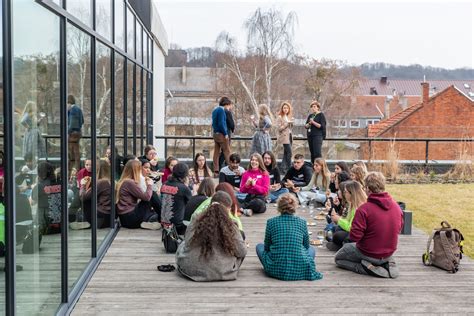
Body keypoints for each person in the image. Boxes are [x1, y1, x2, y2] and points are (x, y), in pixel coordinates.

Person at [335, 172, 403, 278]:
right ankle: (388, 262)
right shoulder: (396, 207)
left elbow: (354, 237)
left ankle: (366, 268)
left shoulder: (364, 209)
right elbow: (399, 228)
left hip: (368, 252)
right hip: (389, 252)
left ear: (367, 189)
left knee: (338, 258)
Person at [176, 191, 247, 282]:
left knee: (182, 244)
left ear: (210, 204)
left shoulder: (195, 219)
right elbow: (242, 252)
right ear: (228, 208)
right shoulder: (232, 225)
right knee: (240, 248)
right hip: (222, 270)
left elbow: (187, 242)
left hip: (191, 269)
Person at [256, 193, 323, 281]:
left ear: (279, 207)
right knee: (311, 249)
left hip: (276, 269)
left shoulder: (271, 222)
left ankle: (274, 264)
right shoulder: (302, 222)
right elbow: (306, 246)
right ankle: (299, 263)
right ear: (294, 206)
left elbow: (267, 247)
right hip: (300, 268)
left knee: (259, 247)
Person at [116, 160, 160, 230]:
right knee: (152, 195)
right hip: (130, 219)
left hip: (125, 219)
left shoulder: (124, 181)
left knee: (152, 195)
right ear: (135, 170)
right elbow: (147, 197)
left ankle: (149, 220)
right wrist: (149, 185)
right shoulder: (129, 182)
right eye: (139, 169)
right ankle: (163, 219)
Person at [327, 180, 367, 251]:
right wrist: (335, 214)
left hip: (359, 235)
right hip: (352, 231)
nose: (344, 193)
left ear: (352, 193)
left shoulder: (358, 207)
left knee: (337, 235)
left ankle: (340, 246)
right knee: (336, 228)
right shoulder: (352, 203)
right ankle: (338, 245)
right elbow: (346, 219)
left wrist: (338, 219)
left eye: (345, 192)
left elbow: (351, 227)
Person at [160, 163, 192, 235]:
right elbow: (191, 204)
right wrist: (187, 186)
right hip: (177, 227)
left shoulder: (164, 184)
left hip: (164, 224)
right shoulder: (183, 188)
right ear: (185, 174)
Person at [78, 159, 112, 229]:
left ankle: (80, 219)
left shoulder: (101, 182)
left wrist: (83, 185)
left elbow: (82, 197)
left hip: (102, 217)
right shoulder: (109, 180)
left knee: (85, 200)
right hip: (108, 215)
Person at [212, 97, 233, 176]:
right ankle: (230, 170)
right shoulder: (221, 110)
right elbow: (221, 123)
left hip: (215, 134)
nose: (229, 107)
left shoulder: (215, 110)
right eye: (228, 105)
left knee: (216, 153)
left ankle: (216, 170)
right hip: (221, 134)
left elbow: (214, 123)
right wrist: (225, 133)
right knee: (227, 152)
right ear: (226, 104)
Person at [67, 95, 84, 173]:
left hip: (72, 135)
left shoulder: (72, 110)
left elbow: (72, 124)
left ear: (69, 102)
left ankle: (72, 172)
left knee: (72, 155)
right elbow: (82, 121)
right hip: (78, 133)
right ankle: (77, 171)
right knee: (76, 153)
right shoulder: (79, 109)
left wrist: (68, 132)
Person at [276, 102, 294, 173]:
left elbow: (289, 128)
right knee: (289, 153)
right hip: (284, 137)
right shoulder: (280, 117)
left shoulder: (288, 117)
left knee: (286, 153)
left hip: (289, 136)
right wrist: (287, 124)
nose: (285, 109)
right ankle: (289, 168)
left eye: (287, 108)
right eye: (284, 108)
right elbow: (279, 128)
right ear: (282, 109)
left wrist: (291, 123)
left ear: (289, 109)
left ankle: (283, 168)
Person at [219, 102, 235, 170]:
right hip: (226, 133)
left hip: (220, 134)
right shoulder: (227, 112)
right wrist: (233, 129)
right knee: (226, 150)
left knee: (222, 151)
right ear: (228, 104)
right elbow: (231, 123)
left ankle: (219, 166)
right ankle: (226, 166)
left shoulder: (219, 111)